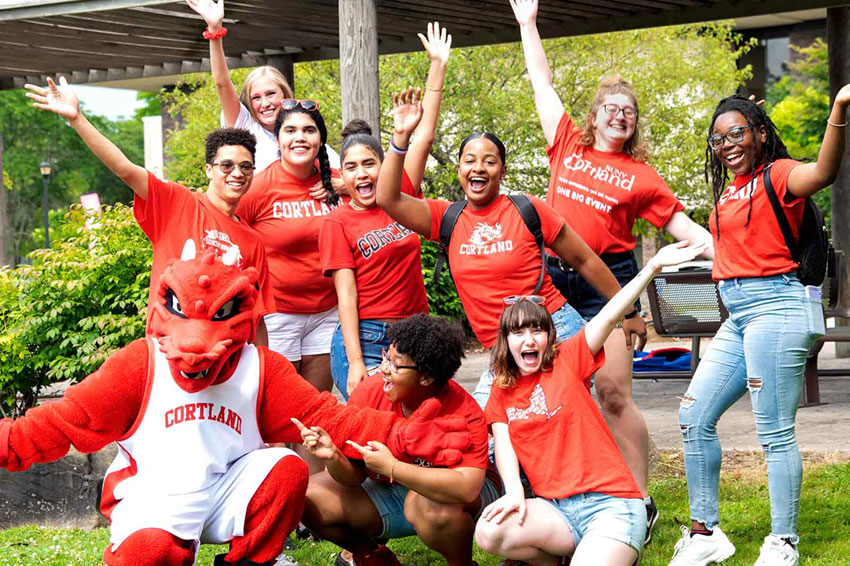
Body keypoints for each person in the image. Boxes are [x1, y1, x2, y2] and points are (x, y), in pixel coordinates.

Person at [0, 245, 473, 566]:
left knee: (287, 470)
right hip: (155, 496)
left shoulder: (259, 367)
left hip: (227, 488)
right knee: (148, 552)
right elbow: (56, 424)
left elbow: (331, 416)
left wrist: (404, 435)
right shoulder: (137, 366)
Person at [508, 0, 715, 533]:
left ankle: (639, 501)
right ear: (595, 114)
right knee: (544, 388)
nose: (620, 115)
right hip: (551, 279)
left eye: (629, 110)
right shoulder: (566, 145)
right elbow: (541, 84)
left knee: (614, 392)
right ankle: (552, 492)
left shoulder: (642, 176)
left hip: (610, 280)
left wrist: (737, 255)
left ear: (633, 122)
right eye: (611, 108)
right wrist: (528, 24)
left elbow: (686, 232)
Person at [667, 89, 849, 566]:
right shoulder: (727, 192)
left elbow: (824, 172)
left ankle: (783, 543)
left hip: (778, 309)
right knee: (693, 416)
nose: (726, 143)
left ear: (761, 135)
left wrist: (839, 111)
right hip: (739, 316)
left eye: (737, 132)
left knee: (773, 431)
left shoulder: (779, 174)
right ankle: (705, 533)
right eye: (718, 137)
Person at [376, 89, 635, 387]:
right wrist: (400, 137)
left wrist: (628, 311)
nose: (478, 168)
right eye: (469, 160)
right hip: (503, 350)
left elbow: (584, 259)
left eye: (489, 161)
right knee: (485, 429)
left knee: (558, 425)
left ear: (503, 170)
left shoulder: (528, 209)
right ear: (459, 169)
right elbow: (388, 198)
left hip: (553, 332)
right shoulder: (445, 217)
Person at [474, 240, 706, 566]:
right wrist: (514, 494)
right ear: (505, 341)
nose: (528, 339)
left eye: (537, 330)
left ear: (549, 337)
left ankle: (608, 549)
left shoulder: (569, 359)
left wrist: (652, 268)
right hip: (557, 510)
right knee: (488, 530)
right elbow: (506, 448)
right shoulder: (502, 390)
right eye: (517, 332)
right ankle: (559, 559)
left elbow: (610, 314)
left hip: (611, 506)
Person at [24, 77, 274, 345]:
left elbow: (254, 318)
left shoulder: (252, 241)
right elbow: (125, 168)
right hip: (169, 356)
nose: (237, 173)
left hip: (225, 363)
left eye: (245, 166)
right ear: (209, 169)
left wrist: (261, 372)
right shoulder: (176, 202)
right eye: (227, 165)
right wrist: (77, 119)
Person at [298, 314, 500, 566]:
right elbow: (354, 477)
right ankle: (372, 556)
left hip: (456, 500)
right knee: (305, 493)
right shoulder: (370, 392)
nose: (383, 369)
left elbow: (466, 487)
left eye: (395, 365)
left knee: (429, 505)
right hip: (392, 490)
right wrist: (334, 457)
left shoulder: (463, 409)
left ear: (426, 377)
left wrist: (393, 467)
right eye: (386, 357)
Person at [320, 22, 451, 400]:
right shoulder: (338, 221)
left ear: (383, 165)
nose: (362, 173)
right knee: (369, 436)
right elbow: (346, 296)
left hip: (416, 331)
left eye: (370, 163)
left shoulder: (401, 195)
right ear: (341, 175)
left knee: (418, 429)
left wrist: (437, 66)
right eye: (352, 167)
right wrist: (357, 361)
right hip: (368, 336)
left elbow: (423, 136)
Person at [235, 97, 342, 405]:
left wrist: (345, 184)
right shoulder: (258, 186)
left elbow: (386, 192)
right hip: (276, 316)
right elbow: (226, 231)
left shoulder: (337, 182)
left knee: (314, 412)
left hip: (328, 314)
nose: (300, 138)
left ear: (320, 138)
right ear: (278, 138)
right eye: (290, 130)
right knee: (278, 411)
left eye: (309, 130)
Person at [185, 0, 340, 173]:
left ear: (286, 96)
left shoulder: (304, 134)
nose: (265, 103)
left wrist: (341, 182)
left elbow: (345, 172)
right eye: (256, 98)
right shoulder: (246, 127)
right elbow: (221, 83)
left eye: (271, 94)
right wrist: (214, 29)